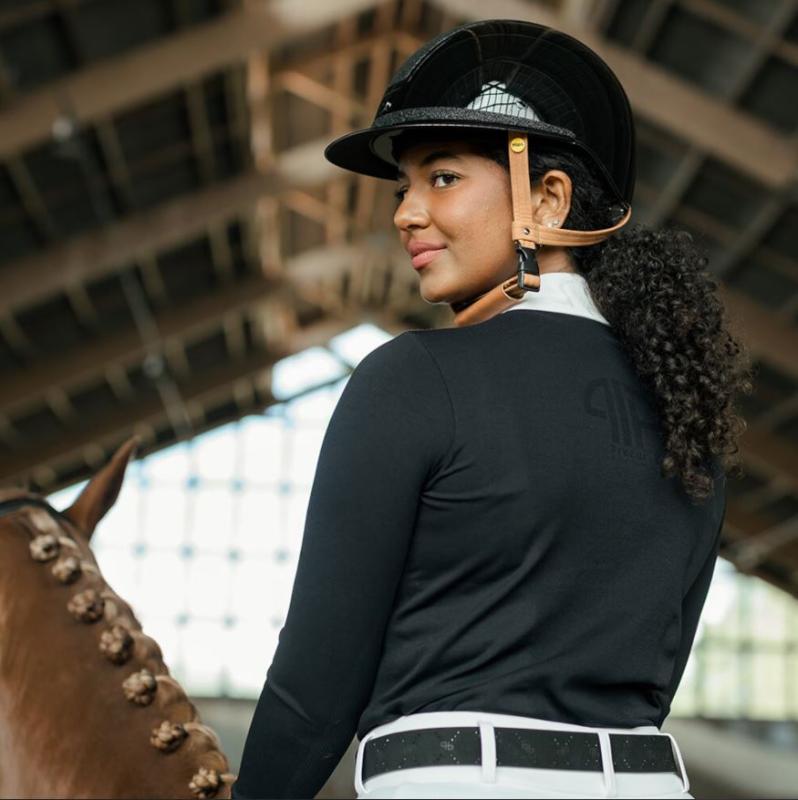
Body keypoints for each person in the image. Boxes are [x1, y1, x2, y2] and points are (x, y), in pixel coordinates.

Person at [232, 19, 752, 800]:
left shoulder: (413, 378)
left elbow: (317, 688)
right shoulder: (687, 404)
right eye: (404, 188)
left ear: (549, 198)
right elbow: (658, 676)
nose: (405, 213)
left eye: (441, 178)